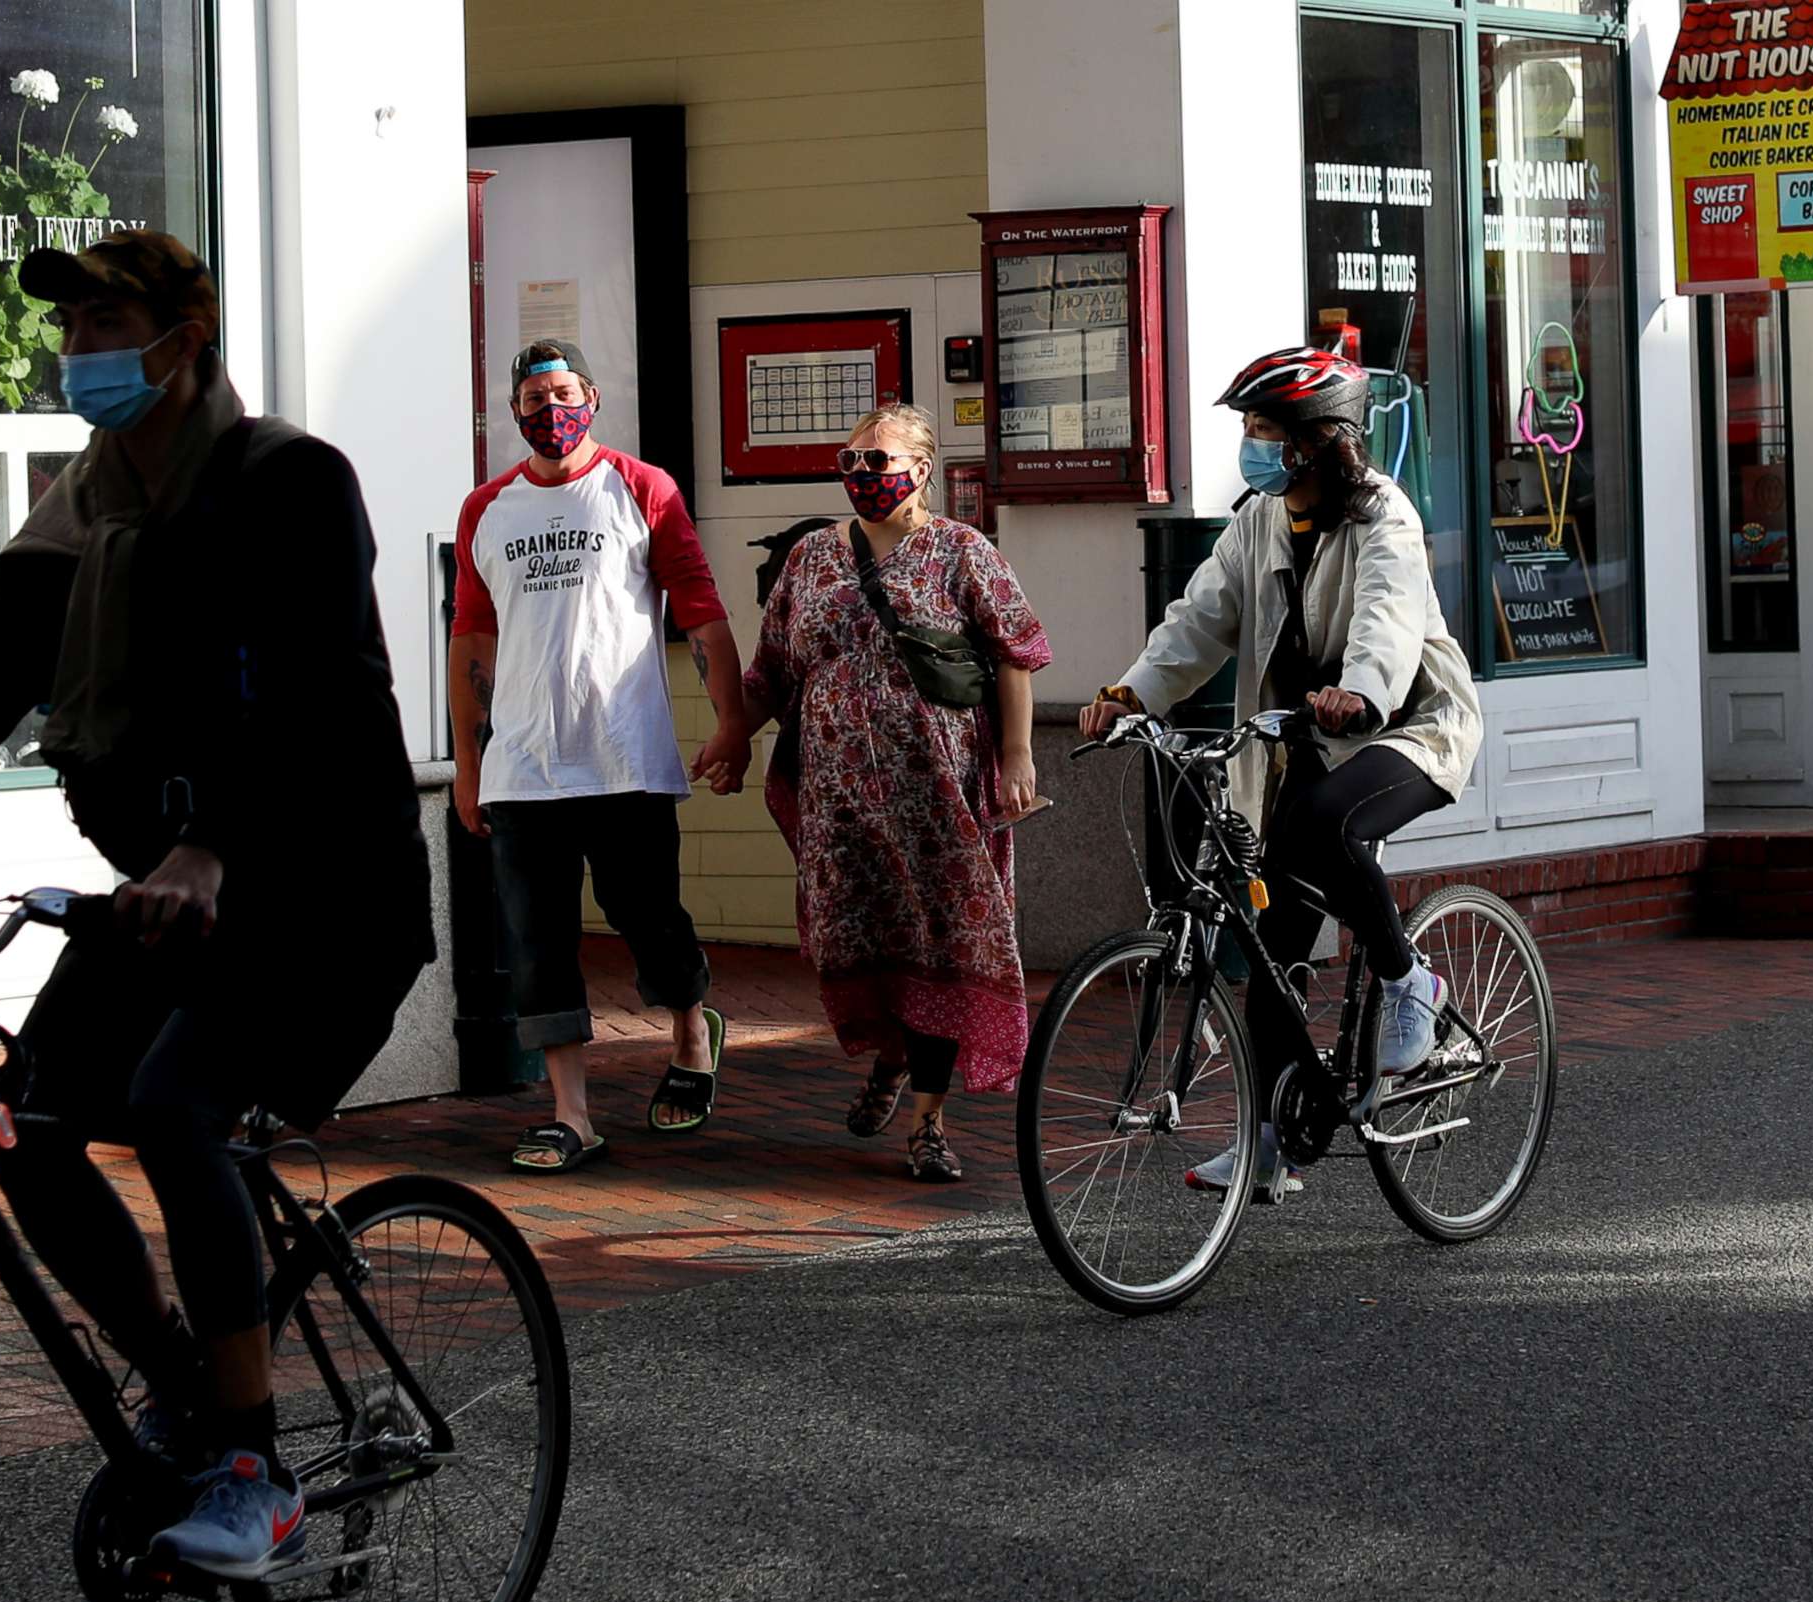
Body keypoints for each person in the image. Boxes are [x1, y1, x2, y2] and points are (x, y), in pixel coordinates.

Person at [0, 231, 434, 1581]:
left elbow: (319, 699)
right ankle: (185, 1376)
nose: (82, 353)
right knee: (28, 1113)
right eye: (68, 331)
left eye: (106, 322)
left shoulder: (286, 480)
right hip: (177, 892)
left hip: (324, 888)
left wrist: (214, 845)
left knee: (178, 1100)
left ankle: (252, 1468)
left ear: (184, 338)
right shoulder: (82, 510)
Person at [1081, 346, 1481, 1199]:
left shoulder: (1386, 519)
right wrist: (1131, 692)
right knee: (1271, 946)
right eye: (1251, 429)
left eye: (1266, 429)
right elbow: (1199, 620)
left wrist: (1360, 695)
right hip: (1302, 742)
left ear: (1314, 440)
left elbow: (1387, 620)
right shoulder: (1258, 520)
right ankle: (1268, 1140)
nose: (1253, 444)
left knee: (1327, 823)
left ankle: (1411, 982)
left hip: (1408, 727)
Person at [449, 339, 750, 1172]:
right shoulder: (487, 509)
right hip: (523, 767)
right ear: (513, 412)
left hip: (624, 759)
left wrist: (731, 721)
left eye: (564, 393)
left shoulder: (640, 488)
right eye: (534, 399)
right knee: (536, 941)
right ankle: (572, 1114)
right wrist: (470, 768)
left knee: (646, 918)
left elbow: (700, 607)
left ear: (593, 396)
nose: (551, 411)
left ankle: (691, 1021)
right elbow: (470, 634)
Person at [744, 404, 1052, 1182]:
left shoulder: (961, 552)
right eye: (851, 462)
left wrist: (1016, 754)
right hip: (841, 808)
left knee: (943, 945)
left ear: (920, 469)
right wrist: (724, 739)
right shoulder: (811, 558)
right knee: (859, 940)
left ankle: (928, 1122)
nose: (863, 477)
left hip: (938, 801)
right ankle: (890, 1054)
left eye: (878, 462)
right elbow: (772, 669)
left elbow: (1014, 649)